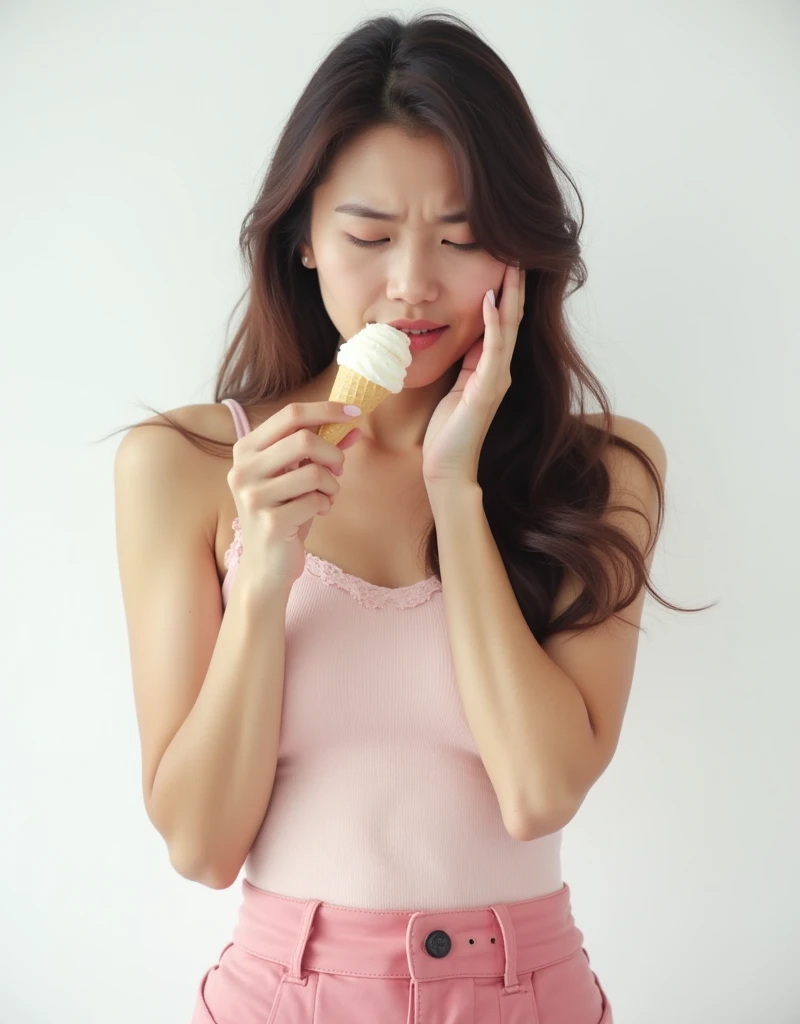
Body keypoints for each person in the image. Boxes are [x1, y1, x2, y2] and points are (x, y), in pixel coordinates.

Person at [113, 12, 707, 1023]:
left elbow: (536, 791)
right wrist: (262, 574)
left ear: (517, 250)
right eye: (369, 234)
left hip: (526, 991)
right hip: (282, 992)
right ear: (302, 237)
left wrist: (455, 489)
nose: (413, 285)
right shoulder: (185, 466)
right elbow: (201, 846)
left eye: (462, 236)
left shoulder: (603, 469)